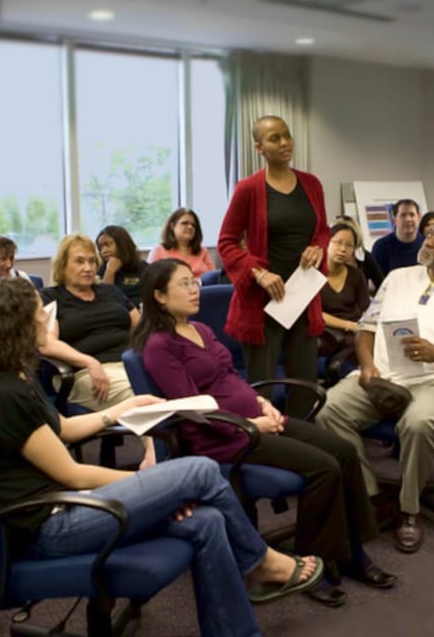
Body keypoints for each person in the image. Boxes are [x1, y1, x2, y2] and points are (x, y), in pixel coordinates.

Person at [0, 277, 322, 637]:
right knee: (199, 470)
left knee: (205, 522)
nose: (45, 316)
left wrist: (121, 410)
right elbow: (71, 472)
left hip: (71, 506)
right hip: (54, 524)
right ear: (14, 323)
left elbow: (61, 428)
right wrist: (152, 484)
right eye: (37, 312)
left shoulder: (12, 376)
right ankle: (260, 563)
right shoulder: (0, 392)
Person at [134, 259, 396, 605]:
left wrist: (261, 402)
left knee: (343, 450)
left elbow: (231, 377)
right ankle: (310, 563)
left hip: (257, 420)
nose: (195, 288)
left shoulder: (202, 330)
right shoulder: (159, 346)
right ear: (160, 296)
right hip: (223, 438)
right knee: (324, 467)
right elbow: (190, 405)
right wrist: (253, 424)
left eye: (194, 281)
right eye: (184, 284)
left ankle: (351, 552)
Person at [316, 217, 434, 554]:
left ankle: (408, 509)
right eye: (429, 235)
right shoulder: (397, 278)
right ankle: (371, 496)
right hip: (382, 376)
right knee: (328, 411)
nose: (428, 242)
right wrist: (368, 364)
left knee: (418, 422)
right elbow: (365, 329)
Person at [217, 115, 329, 418]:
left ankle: (302, 446)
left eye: (286, 136)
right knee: (261, 390)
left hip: (302, 299)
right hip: (262, 303)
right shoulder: (248, 189)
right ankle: (263, 449)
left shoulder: (311, 184)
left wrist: (318, 246)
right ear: (259, 147)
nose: (284, 143)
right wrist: (258, 272)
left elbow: (322, 230)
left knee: (304, 385)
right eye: (274, 138)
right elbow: (227, 242)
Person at [38, 234, 137, 414]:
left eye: (92, 262)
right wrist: (90, 363)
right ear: (63, 265)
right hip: (84, 373)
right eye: (80, 261)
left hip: (128, 365)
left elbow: (141, 327)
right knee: (142, 394)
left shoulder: (110, 291)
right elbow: (47, 344)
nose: (88, 268)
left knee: (170, 386)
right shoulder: (50, 297)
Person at [319, 221, 371, 358]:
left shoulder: (356, 275)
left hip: (355, 328)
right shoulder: (314, 274)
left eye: (349, 245)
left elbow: (367, 309)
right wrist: (350, 325)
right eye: (338, 242)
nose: (343, 249)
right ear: (327, 243)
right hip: (328, 331)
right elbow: (316, 314)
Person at [149, 208, 216, 278]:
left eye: (193, 225)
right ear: (172, 226)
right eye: (185, 223)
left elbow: (213, 276)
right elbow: (151, 280)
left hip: (204, 287)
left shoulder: (202, 251)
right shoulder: (159, 251)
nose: (190, 227)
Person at [96, 224, 148, 307]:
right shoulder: (102, 270)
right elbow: (104, 302)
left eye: (108, 245)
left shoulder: (143, 268)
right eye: (101, 247)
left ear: (122, 244)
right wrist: (110, 272)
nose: (104, 251)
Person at [369, 199, 424, 276]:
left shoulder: (427, 244)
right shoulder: (381, 247)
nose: (408, 219)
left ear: (419, 218)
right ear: (394, 220)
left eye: (412, 215)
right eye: (403, 215)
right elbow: (378, 281)